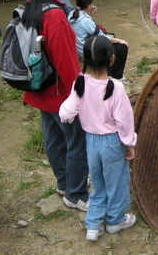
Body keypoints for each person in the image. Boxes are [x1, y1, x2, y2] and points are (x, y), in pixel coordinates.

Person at [21, 0, 90, 212]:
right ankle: (76, 193)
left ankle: (63, 183)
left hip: (39, 88)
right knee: (77, 142)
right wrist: (80, 92)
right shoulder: (55, 16)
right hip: (60, 94)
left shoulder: (32, 7)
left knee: (53, 140)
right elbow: (66, 61)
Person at [59, 35, 138, 241]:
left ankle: (93, 225)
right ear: (111, 59)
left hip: (91, 142)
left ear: (84, 59)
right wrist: (130, 143)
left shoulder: (80, 82)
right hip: (112, 143)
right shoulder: (116, 88)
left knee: (98, 182)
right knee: (117, 182)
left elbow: (66, 113)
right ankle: (115, 220)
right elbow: (125, 121)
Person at [68, 0, 129, 80]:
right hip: (87, 52)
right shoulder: (86, 21)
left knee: (111, 37)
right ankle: (116, 75)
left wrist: (90, 15)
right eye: (92, 4)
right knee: (121, 47)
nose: (93, 6)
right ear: (88, 5)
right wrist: (120, 41)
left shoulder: (72, 14)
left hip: (78, 48)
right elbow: (103, 37)